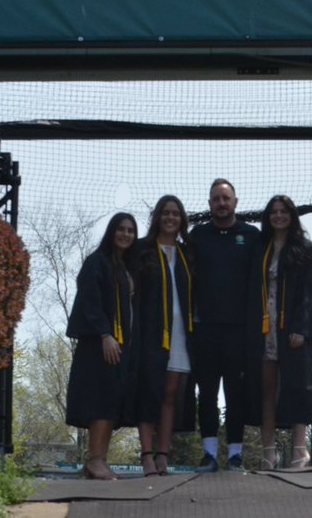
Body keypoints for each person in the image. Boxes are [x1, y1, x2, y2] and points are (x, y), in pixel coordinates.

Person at [246, 195, 312, 470]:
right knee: (266, 389)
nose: (278, 216)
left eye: (284, 211)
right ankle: (269, 453)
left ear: (292, 216)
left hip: (291, 329)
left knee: (296, 387)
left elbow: (309, 294)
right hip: (264, 328)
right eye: (274, 211)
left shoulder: (307, 249)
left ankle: (299, 450)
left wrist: (301, 329)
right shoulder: (260, 248)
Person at [189, 178, 260, 472]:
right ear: (209, 204)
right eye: (216, 199)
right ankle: (208, 454)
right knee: (206, 392)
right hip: (205, 330)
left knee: (236, 393)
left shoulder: (251, 236)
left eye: (226, 198)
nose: (221, 203)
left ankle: (234, 455)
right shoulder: (197, 236)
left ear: (236, 202)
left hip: (239, 331)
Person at [65, 212, 139, 480]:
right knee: (99, 400)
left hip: (121, 346)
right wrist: (105, 334)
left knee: (111, 401)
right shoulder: (96, 262)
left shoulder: (124, 267)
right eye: (121, 229)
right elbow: (90, 301)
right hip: (100, 346)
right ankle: (95, 459)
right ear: (111, 231)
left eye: (131, 230)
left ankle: (100, 460)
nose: (126, 234)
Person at [132, 195, 196, 476]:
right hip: (151, 332)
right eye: (165, 213)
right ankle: (146, 455)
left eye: (175, 214)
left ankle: (162, 455)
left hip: (181, 332)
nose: (170, 218)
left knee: (171, 394)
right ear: (157, 217)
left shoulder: (187, 253)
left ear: (181, 220)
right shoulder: (143, 250)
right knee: (149, 392)